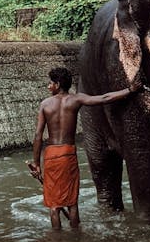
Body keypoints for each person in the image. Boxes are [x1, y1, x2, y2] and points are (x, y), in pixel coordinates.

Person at [28, 66, 139, 229]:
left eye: (50, 83)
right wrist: (129, 90)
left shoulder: (45, 104)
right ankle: (76, 238)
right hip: (67, 154)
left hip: (51, 155)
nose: (48, 86)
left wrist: (36, 163)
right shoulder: (76, 99)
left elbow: (38, 135)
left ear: (57, 84)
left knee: (54, 205)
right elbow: (104, 98)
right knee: (72, 202)